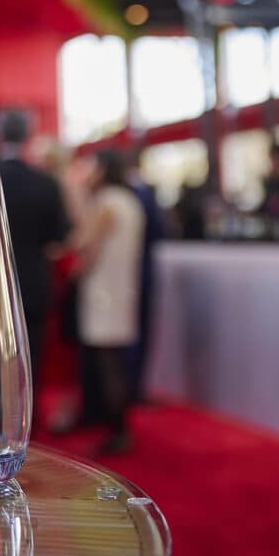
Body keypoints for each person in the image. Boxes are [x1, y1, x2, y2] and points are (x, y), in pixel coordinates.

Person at [74, 149, 144, 454]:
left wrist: (75, 272)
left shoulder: (105, 203)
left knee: (107, 362)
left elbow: (87, 244)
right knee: (114, 360)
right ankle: (117, 425)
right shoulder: (130, 202)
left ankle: (117, 429)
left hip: (102, 290)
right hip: (123, 289)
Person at [0, 109, 70, 387]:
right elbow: (57, 237)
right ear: (28, 136)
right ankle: (29, 418)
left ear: (1, 134)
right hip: (34, 281)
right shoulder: (45, 183)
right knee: (31, 354)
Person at [125, 150, 165, 404]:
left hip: (128, 273)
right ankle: (133, 387)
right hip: (140, 272)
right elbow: (159, 232)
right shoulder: (142, 193)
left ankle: (128, 387)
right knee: (137, 329)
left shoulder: (121, 194)